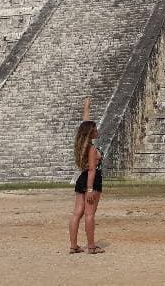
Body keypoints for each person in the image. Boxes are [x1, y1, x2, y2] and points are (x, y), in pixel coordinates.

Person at [68, 96, 105, 254]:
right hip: (91, 180)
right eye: (95, 130)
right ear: (90, 133)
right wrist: (90, 189)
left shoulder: (82, 144)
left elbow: (84, 124)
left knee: (77, 213)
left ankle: (74, 245)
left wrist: (86, 108)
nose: (97, 131)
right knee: (90, 214)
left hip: (81, 179)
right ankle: (91, 246)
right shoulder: (91, 149)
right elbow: (92, 170)